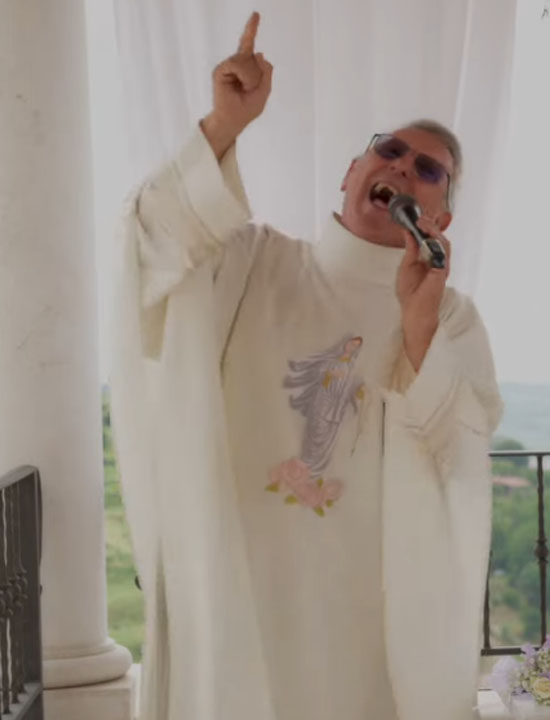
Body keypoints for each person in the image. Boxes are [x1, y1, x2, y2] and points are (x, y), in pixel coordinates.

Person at [108, 13, 502, 720]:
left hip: (365, 606)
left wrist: (416, 325)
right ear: (354, 172)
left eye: (428, 169)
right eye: (389, 151)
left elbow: (460, 458)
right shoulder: (252, 262)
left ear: (440, 217)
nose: (402, 168)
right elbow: (147, 242)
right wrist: (225, 125)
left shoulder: (453, 318)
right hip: (241, 578)